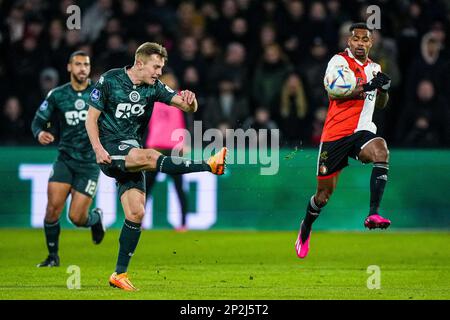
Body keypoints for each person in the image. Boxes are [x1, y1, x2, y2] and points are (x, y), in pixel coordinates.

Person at [85, 42, 227, 291]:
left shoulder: (155, 88)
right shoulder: (110, 80)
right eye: (156, 67)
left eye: (161, 67)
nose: (159, 72)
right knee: (151, 157)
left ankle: (119, 274)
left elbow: (185, 106)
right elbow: (91, 118)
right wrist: (98, 148)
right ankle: (208, 165)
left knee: (136, 213)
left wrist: (191, 101)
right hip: (110, 151)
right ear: (140, 63)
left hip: (132, 154)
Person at [295, 23, 392, 259]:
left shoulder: (375, 68)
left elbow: (380, 104)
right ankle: (306, 227)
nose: (360, 43)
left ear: (371, 43)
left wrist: (384, 90)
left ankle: (373, 214)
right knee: (323, 196)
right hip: (335, 135)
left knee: (382, 152)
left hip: (362, 132)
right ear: (349, 42)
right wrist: (369, 85)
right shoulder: (338, 62)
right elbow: (335, 91)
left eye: (365, 39)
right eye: (356, 39)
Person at [31, 51, 105, 267]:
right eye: (78, 64)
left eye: (86, 64)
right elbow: (39, 120)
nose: (83, 68)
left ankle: (95, 219)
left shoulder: (99, 93)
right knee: (52, 209)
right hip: (65, 159)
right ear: (69, 68)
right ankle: (53, 257)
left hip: (90, 162)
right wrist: (41, 132)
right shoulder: (57, 95)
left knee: (76, 218)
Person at [144, 72, 189, 232]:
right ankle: (138, 220)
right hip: (155, 148)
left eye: (172, 79)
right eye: (166, 80)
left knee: (179, 188)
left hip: (174, 149)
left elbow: (187, 121)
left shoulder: (180, 99)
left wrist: (185, 141)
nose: (170, 82)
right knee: (146, 187)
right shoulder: (152, 98)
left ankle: (183, 223)